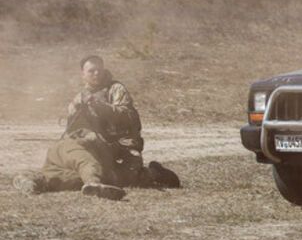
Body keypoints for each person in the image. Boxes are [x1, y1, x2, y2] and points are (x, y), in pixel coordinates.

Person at [13, 55, 180, 200]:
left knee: (128, 176)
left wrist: (102, 107)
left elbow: (127, 116)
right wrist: (74, 111)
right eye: (91, 71)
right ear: (83, 74)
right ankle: (41, 180)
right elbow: (72, 127)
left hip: (120, 146)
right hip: (93, 146)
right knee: (86, 171)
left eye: (99, 70)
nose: (96, 74)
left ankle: (155, 173)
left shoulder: (116, 89)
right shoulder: (80, 97)